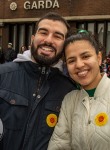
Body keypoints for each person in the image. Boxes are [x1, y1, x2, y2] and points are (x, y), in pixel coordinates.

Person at [48, 32, 110, 150]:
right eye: (71, 61)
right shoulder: (69, 101)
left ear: (99, 58)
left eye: (85, 56)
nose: (79, 64)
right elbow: (59, 144)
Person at [0, 12, 76, 150]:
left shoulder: (69, 90)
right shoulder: (2, 75)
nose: (48, 40)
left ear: (64, 45)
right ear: (32, 39)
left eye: (57, 36)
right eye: (43, 32)